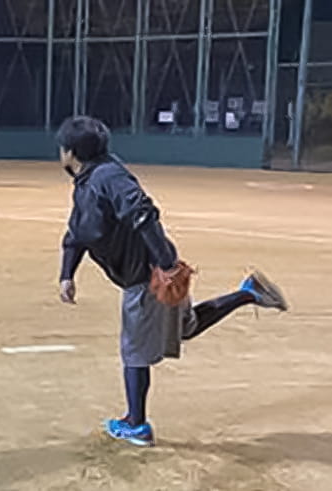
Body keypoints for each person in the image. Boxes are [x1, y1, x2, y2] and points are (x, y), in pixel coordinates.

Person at [56, 115, 288, 447]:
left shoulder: (105, 176)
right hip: (153, 268)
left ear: (70, 152)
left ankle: (136, 424)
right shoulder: (91, 179)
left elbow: (141, 212)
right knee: (186, 327)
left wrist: (165, 265)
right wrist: (67, 272)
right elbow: (77, 232)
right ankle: (248, 292)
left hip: (147, 276)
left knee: (133, 352)